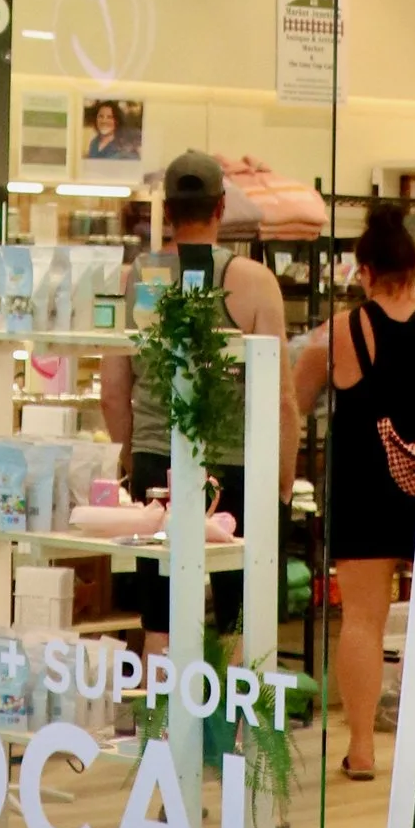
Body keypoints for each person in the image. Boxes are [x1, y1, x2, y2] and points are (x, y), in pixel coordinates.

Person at [289, 204, 415, 783]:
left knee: (361, 619)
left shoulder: (335, 335)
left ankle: (361, 749)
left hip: (361, 487)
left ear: (363, 270)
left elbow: (292, 406)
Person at [99, 153, 294, 632]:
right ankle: (232, 706)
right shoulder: (253, 282)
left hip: (153, 457)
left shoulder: (139, 279)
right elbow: (281, 399)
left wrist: (133, 457)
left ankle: (161, 707)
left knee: (159, 615)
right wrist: (283, 482)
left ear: (166, 210)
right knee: (239, 616)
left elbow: (113, 389)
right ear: (221, 207)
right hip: (232, 465)